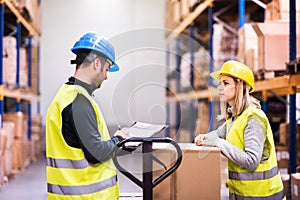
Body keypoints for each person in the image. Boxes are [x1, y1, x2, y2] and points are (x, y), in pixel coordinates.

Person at [46, 32, 129, 199]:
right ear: (97, 64)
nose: (106, 76)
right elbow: (96, 153)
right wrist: (119, 139)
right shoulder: (78, 103)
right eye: (107, 69)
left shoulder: (68, 95)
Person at [194, 60, 285, 199]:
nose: (220, 88)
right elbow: (217, 135)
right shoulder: (234, 118)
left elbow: (251, 161)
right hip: (242, 195)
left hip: (263, 195)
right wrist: (203, 137)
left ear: (240, 86)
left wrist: (218, 142)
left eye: (226, 83)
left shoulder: (253, 118)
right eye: (220, 83)